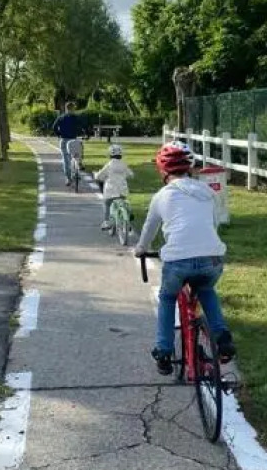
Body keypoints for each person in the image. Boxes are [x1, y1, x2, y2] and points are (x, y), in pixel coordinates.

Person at [134, 142, 236, 375]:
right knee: (207, 290)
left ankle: (163, 350)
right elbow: (213, 224)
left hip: (178, 260)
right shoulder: (208, 192)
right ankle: (222, 338)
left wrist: (141, 248)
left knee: (168, 297)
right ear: (191, 168)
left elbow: (150, 229)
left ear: (163, 170)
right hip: (212, 257)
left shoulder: (162, 196)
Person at [94, 144, 134, 229]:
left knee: (106, 203)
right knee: (124, 202)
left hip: (111, 191)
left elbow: (100, 176)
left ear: (110, 154)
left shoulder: (109, 165)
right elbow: (131, 174)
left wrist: (96, 175)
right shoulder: (124, 164)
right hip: (122, 190)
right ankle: (127, 220)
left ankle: (107, 222)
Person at [52, 102, 80, 184]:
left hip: (64, 140)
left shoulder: (61, 117)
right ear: (73, 108)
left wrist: (59, 134)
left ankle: (68, 178)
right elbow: (82, 126)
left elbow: (54, 127)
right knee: (75, 157)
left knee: (65, 160)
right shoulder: (76, 118)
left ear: (66, 108)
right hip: (73, 140)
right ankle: (76, 172)